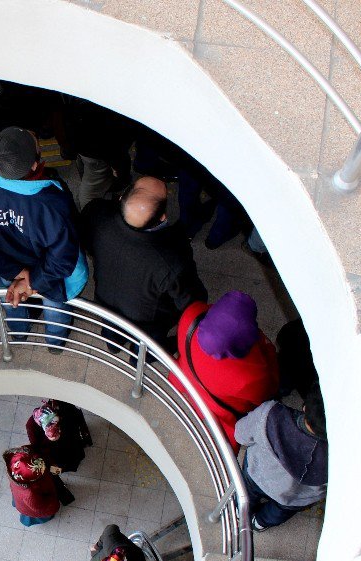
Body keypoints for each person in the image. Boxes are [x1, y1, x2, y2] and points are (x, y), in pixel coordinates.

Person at [0, 126, 88, 352]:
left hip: (6, 267)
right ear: (35, 165)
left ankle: (18, 333)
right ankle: (55, 343)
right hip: (50, 276)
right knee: (55, 309)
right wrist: (33, 282)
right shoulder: (51, 202)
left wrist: (17, 273)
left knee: (11, 300)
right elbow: (63, 256)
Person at [82, 175, 207, 355]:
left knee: (111, 329)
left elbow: (86, 242)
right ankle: (139, 358)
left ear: (121, 198)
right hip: (148, 320)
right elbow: (191, 300)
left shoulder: (97, 213)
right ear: (163, 217)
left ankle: (113, 345)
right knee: (148, 345)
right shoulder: (172, 257)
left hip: (105, 300)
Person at [171, 291, 280, 450]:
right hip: (219, 411)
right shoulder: (249, 375)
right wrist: (266, 347)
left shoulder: (191, 315)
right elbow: (267, 391)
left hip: (186, 380)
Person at [235, 383, 328, 531]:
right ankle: (259, 523)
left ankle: (241, 512)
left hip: (256, 474)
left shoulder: (270, 414)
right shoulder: (336, 460)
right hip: (294, 498)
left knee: (246, 493)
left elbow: (240, 435)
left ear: (305, 407)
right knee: (278, 512)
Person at [25, 399, 93, 474]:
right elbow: (36, 447)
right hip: (54, 453)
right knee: (55, 469)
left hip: (69, 440)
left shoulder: (57, 409)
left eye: (57, 426)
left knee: (75, 455)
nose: (59, 430)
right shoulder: (31, 426)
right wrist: (55, 470)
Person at [3, 446, 60, 526]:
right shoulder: (30, 495)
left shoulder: (16, 469)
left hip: (20, 498)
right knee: (37, 516)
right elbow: (41, 507)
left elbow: (45, 467)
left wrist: (57, 470)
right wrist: (53, 502)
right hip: (33, 506)